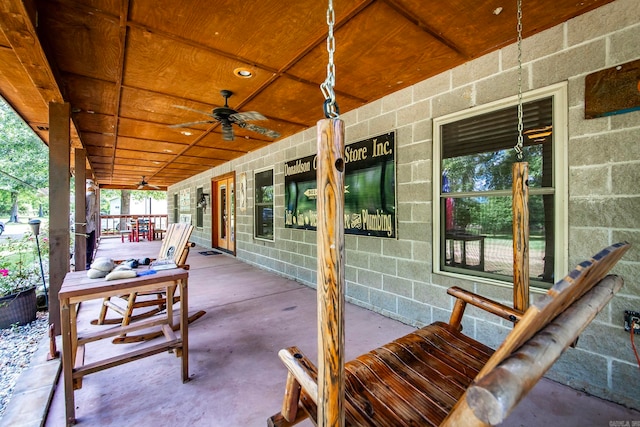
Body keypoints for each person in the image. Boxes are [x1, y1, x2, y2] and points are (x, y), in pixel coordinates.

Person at [85, 179, 98, 269]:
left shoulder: (90, 196)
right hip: (90, 224)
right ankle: (87, 262)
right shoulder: (91, 196)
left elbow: (89, 211)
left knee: (89, 245)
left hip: (88, 224)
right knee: (90, 245)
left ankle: (87, 263)